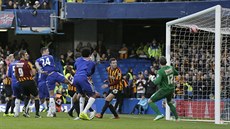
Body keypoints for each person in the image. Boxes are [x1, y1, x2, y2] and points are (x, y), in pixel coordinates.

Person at [35, 47, 71, 117]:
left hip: (45, 78)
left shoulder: (38, 60)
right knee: (52, 95)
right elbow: (53, 66)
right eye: (47, 51)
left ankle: (51, 111)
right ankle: (51, 111)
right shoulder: (50, 57)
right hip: (52, 75)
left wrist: (40, 70)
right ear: (44, 51)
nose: (48, 52)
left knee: (48, 96)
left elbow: (37, 65)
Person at [148, 56, 179, 121]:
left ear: (160, 63)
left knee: (150, 101)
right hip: (171, 88)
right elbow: (177, 73)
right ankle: (177, 118)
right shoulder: (171, 68)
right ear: (166, 62)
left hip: (164, 89)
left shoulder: (160, 71)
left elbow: (157, 82)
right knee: (169, 102)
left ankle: (159, 114)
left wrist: (152, 78)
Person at [14, 50, 41, 118]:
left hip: (22, 82)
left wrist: (20, 80)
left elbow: (16, 74)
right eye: (26, 54)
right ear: (22, 56)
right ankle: (37, 114)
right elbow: (34, 73)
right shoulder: (28, 63)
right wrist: (35, 69)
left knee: (27, 96)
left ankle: (25, 112)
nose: (27, 55)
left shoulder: (17, 64)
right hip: (29, 81)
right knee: (36, 96)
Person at [72, 48, 97, 120]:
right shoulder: (91, 62)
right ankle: (85, 112)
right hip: (83, 77)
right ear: (90, 54)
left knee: (82, 94)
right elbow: (91, 72)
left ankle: (80, 115)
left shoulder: (78, 60)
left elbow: (75, 67)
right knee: (94, 95)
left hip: (76, 78)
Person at [6, 51, 22, 117]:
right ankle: (22, 111)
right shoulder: (20, 63)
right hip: (20, 81)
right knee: (26, 95)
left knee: (14, 96)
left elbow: (8, 75)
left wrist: (12, 79)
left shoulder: (11, 64)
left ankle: (14, 112)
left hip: (13, 82)